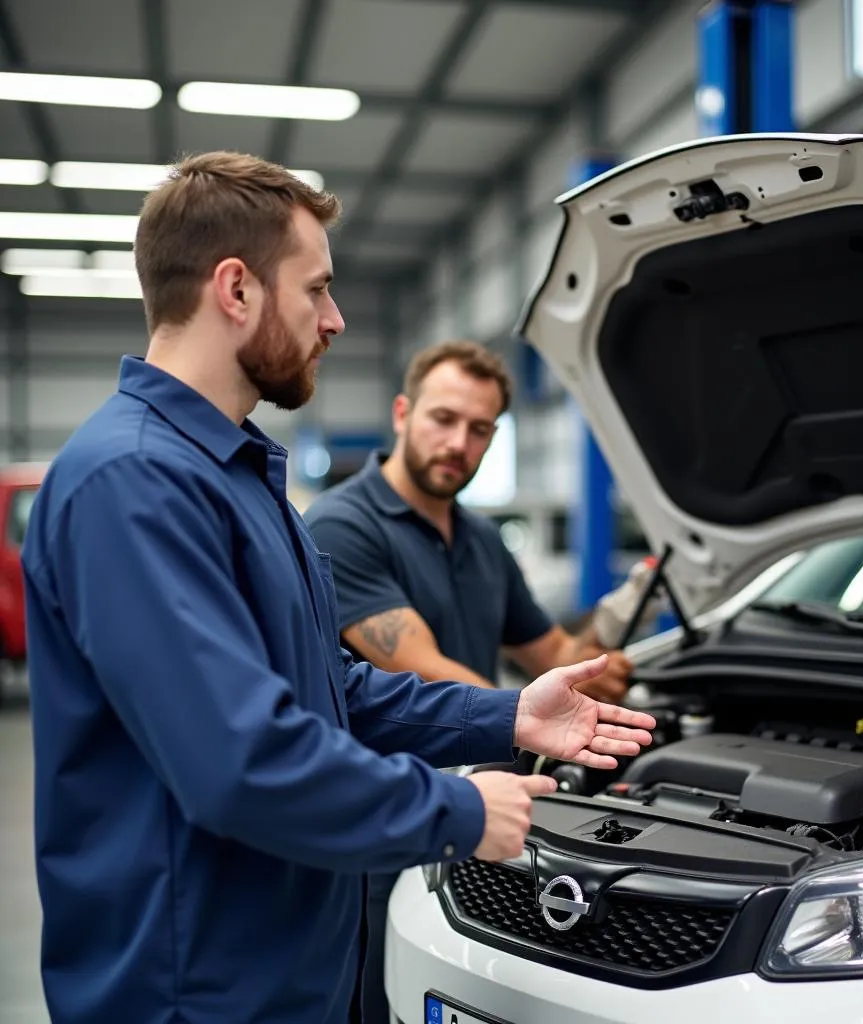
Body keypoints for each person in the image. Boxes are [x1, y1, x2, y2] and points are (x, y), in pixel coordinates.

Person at [19, 151, 656, 1024]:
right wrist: (458, 808)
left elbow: (330, 692)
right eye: (316, 289)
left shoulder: (239, 477)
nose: (336, 319)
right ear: (236, 290)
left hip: (293, 969)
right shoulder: (133, 483)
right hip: (197, 989)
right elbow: (240, 763)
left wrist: (507, 717)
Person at [303, 340, 639, 1023]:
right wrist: (522, 711)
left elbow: (549, 649)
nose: (459, 442)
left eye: (480, 428)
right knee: (377, 1003)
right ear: (403, 413)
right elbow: (416, 665)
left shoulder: (483, 540)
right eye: (443, 418)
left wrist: (600, 655)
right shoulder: (345, 524)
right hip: (382, 830)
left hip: (485, 814)